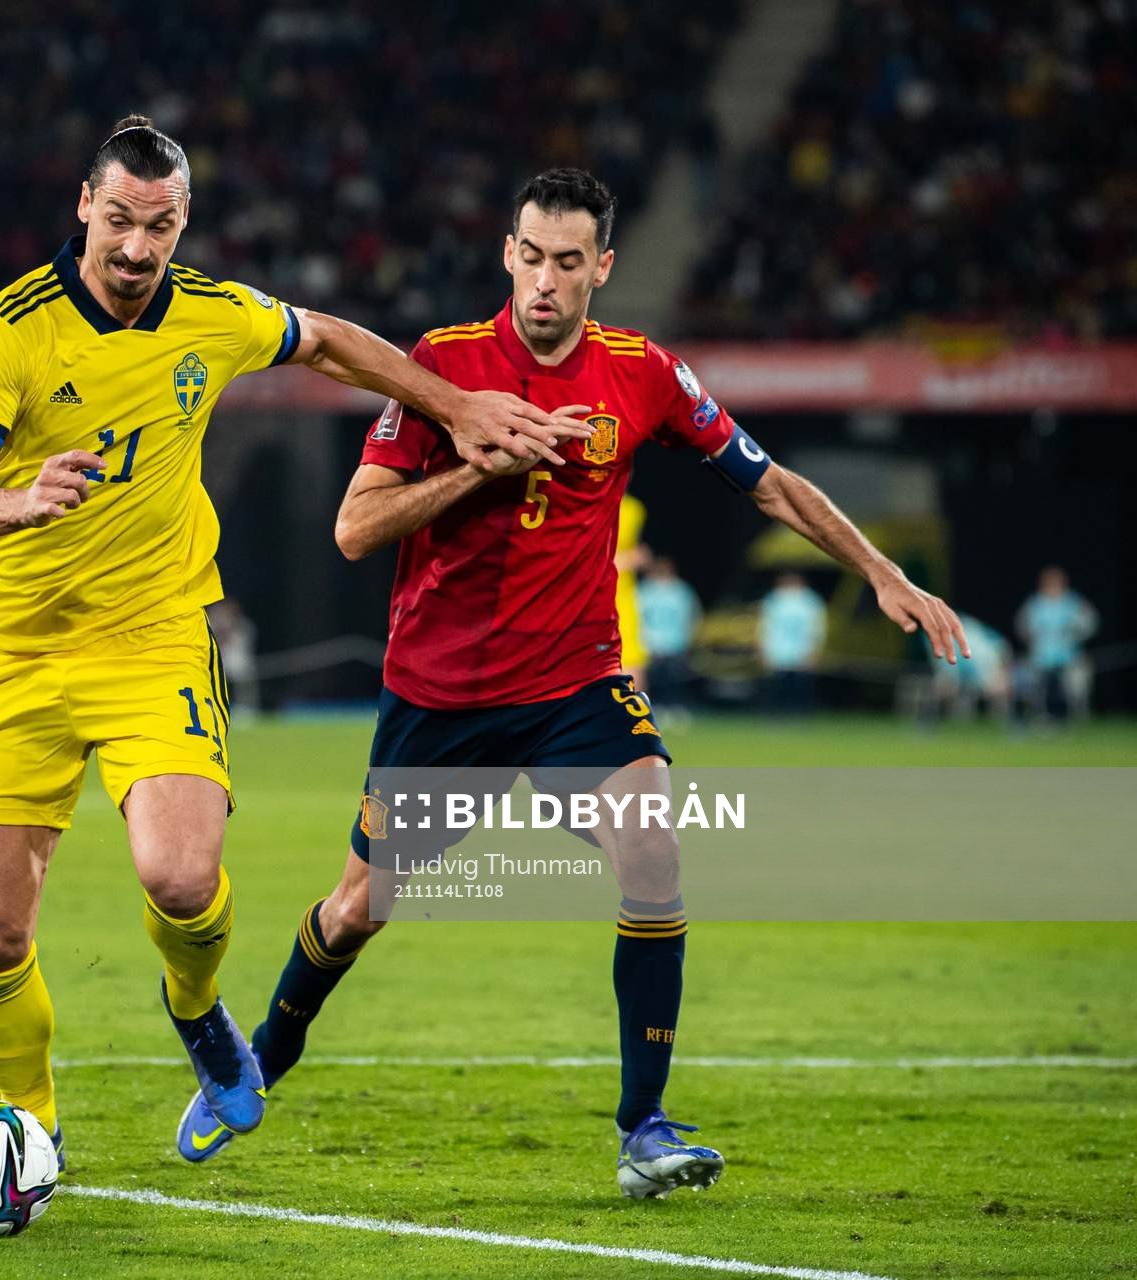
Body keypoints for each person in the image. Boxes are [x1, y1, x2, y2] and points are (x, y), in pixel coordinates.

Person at [200, 169, 967, 1197]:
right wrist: (483, 456)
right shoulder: (445, 367)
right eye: (532, 255)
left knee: (652, 844)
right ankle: (255, 1059)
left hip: (576, 682)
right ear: (506, 254)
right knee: (359, 906)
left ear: (602, 266)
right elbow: (354, 528)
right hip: (441, 695)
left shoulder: (642, 373)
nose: (548, 280)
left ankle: (644, 1125)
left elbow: (768, 478)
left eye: (570, 260)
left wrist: (883, 570)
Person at [0, 117, 593, 1165]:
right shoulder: (6, 334)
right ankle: (33, 1125)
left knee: (182, 878)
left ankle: (197, 1008)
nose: (140, 249)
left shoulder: (213, 312)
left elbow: (325, 338)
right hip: (19, 653)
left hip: (154, 637)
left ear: (183, 223)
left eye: (164, 226)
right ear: (85, 209)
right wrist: (17, 500)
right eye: (123, 222)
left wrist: (454, 404)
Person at [1016, 566, 1097, 723]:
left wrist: (1074, 633)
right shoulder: (1035, 604)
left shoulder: (1074, 602)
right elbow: (1022, 627)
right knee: (1034, 684)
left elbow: (1090, 624)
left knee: (1071, 685)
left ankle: (1068, 719)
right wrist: (1033, 637)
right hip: (1041, 656)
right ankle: (1039, 717)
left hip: (1068, 656)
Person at [758, 572, 827, 711]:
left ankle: (799, 713)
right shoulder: (773, 600)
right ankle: (777, 713)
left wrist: (814, 650)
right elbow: (766, 627)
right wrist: (764, 650)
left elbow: (817, 627)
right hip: (778, 651)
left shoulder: (810, 601)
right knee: (777, 685)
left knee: (800, 686)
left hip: (802, 650)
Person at [637, 556, 700, 705]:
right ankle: (652, 705)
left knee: (674, 678)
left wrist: (689, 638)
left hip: (674, 642)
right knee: (651, 678)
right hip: (649, 642)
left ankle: (674, 706)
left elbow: (690, 616)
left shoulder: (681, 591)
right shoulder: (645, 590)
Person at [615, 493, 651, 687]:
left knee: (631, 661)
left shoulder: (633, 509)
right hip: (580, 597)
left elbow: (640, 553)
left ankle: (635, 715)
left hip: (621, 598)